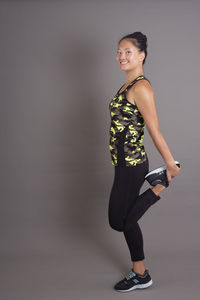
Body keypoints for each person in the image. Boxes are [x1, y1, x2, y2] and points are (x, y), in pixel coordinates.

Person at [108, 31, 181, 292]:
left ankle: (160, 185)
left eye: (128, 51)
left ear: (141, 56)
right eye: (118, 51)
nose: (121, 56)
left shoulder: (141, 88)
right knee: (129, 219)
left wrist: (170, 163)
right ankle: (140, 273)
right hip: (122, 163)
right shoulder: (126, 86)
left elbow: (154, 130)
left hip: (133, 164)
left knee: (119, 221)